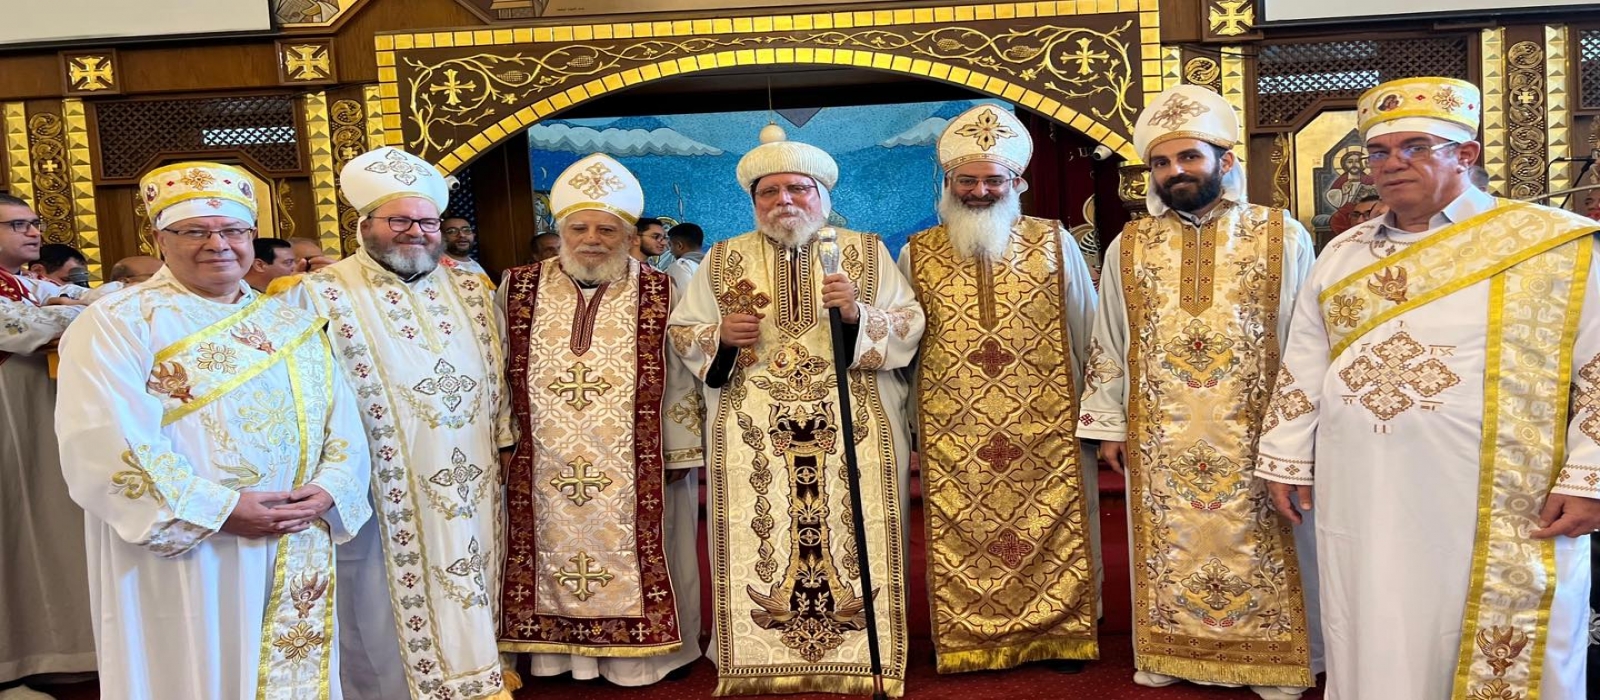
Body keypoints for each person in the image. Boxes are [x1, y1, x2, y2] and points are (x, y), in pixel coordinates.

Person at [1257, 76, 1599, 700]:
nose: (1392, 164)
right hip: (1362, 489)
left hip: (1497, 497)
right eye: (1379, 151)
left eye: (1415, 147)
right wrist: (1285, 455)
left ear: (1465, 154)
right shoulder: (1343, 253)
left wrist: (1590, 478)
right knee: (1370, 619)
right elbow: (1304, 361)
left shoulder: (1554, 245)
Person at [54, 162, 372, 699]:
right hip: (191, 545)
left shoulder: (290, 324)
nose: (217, 244)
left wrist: (329, 488)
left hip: (295, 533)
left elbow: (341, 421)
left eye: (232, 231)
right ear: (159, 238)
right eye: (194, 231)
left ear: (252, 236)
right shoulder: (116, 322)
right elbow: (104, 438)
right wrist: (220, 510)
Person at [1076, 84, 1318, 700]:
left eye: (1189, 156)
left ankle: (1273, 660)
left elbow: (1307, 339)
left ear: (1224, 161)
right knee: (1169, 544)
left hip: (1257, 430)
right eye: (1161, 162)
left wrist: (1301, 430)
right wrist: (1110, 424)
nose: (1175, 171)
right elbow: (1110, 338)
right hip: (1162, 436)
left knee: (1266, 539)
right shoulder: (1130, 244)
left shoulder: (1281, 234)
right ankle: (1171, 652)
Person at [668, 130, 924, 696]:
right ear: (754, 201)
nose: (783, 200)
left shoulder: (867, 251)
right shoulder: (723, 258)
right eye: (769, 192)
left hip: (854, 424)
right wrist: (719, 337)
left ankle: (865, 655)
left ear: (822, 195)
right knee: (766, 536)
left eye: (797, 189)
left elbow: (909, 323)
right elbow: (683, 332)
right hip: (755, 430)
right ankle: (758, 656)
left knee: (857, 533)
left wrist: (858, 314)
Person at [269, 146, 513, 700]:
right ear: (364, 225)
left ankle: (477, 676)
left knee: (470, 570)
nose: (415, 232)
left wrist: (503, 442)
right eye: (398, 220)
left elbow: (498, 370)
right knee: (378, 594)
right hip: (379, 478)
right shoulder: (314, 295)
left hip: (470, 473)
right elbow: (300, 395)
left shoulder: (472, 288)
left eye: (427, 222)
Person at [897, 104, 1102, 674]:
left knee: (1064, 524)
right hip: (954, 430)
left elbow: (1088, 329)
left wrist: (1099, 413)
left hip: (1050, 423)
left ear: (1017, 183)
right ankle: (968, 634)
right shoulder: (917, 251)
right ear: (949, 183)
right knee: (962, 534)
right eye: (967, 181)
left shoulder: (1054, 242)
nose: (980, 191)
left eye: (993, 180)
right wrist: (910, 421)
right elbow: (907, 339)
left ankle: (1060, 631)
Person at [495, 153, 704, 685]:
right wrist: (502, 439)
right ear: (561, 232)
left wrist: (680, 448)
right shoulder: (516, 288)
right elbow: (495, 367)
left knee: (659, 546)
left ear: (628, 235)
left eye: (607, 229)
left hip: (639, 462)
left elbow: (683, 373)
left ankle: (649, 659)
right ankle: (554, 654)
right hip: (541, 461)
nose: (592, 239)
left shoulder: (662, 289)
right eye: (579, 228)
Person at [0, 195, 95, 694]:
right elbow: (20, 328)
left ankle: (48, 648)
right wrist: (59, 310)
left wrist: (63, 303)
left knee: (41, 524)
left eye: (34, 223)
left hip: (31, 415)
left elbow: (102, 300)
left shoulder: (22, 282)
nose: (34, 232)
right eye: (18, 225)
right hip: (8, 418)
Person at [663, 222, 705, 290]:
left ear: (679, 246)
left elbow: (685, 295)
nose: (670, 251)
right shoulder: (713, 265)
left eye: (670, 245)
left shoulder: (681, 266)